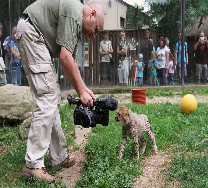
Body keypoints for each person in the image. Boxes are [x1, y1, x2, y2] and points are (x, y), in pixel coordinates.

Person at [16, 0, 104, 183]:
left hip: (33, 34)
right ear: (92, 14)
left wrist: (83, 89)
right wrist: (81, 92)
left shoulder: (76, 15)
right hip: (32, 33)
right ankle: (33, 165)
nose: (94, 36)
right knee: (47, 97)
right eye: (96, 30)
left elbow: (68, 60)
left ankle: (58, 156)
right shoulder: (74, 12)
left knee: (51, 96)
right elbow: (65, 58)